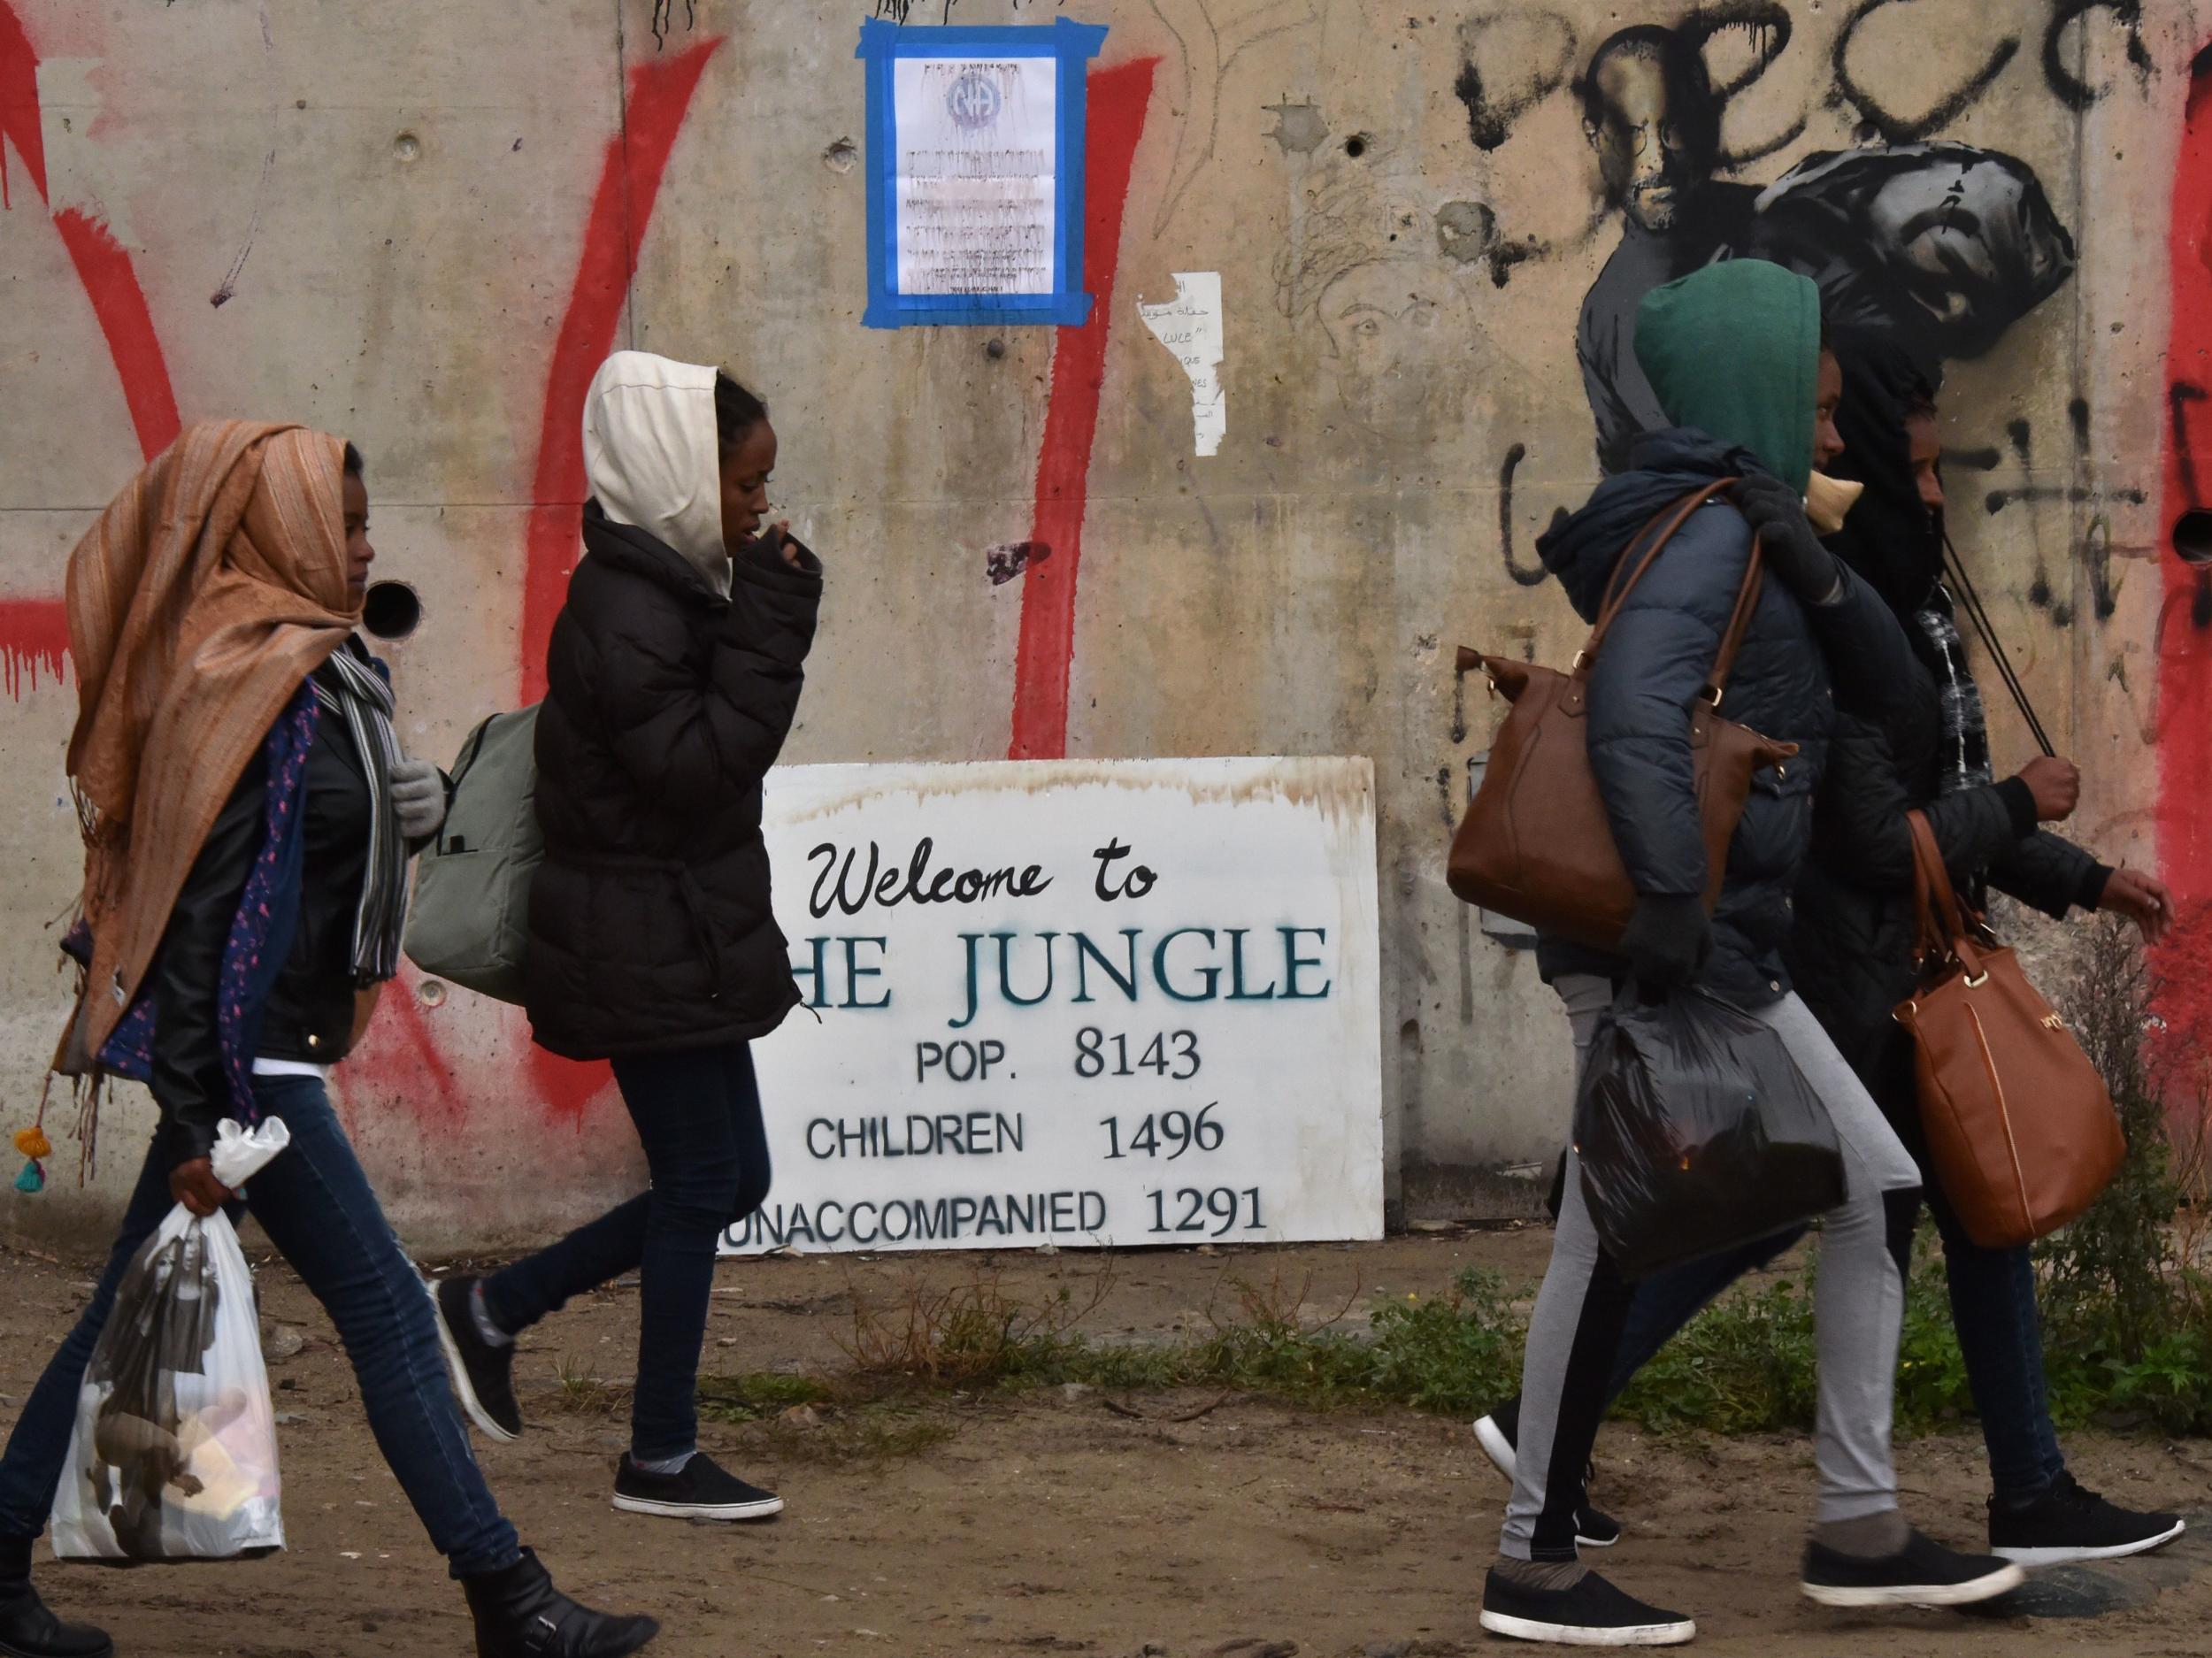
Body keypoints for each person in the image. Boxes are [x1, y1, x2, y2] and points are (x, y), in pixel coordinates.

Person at [1474, 333, 2185, 1570]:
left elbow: (1903, 727)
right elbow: (1691, 734)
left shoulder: (1783, 548)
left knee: (1855, 1197)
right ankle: (1551, 1522)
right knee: (1673, 1223)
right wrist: (1668, 901)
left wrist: (2065, 868)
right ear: (1759, 397)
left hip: (1748, 946)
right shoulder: (1719, 538)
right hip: (1775, 953)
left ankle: (1871, 1517)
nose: (1895, 476)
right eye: (1824, 415)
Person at [0, 424, 657, 1658]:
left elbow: (304, 849)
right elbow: (205, 917)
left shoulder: (320, 668)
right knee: (397, 1318)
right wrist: (201, 1111)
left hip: (260, 1050)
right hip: (257, 1064)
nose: (363, 550)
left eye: (362, 528)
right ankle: (508, 1597)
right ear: (280, 532)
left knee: (114, 1316)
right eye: (343, 527)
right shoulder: (253, 674)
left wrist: (408, 810)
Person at [432, 352, 821, 1524]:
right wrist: (777, 623)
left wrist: (753, 612)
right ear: (678, 474)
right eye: (745, 482)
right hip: (636, 937)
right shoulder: (628, 610)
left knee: (734, 1174)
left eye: (764, 482)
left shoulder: (672, 587)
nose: (762, 504)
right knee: (706, 1177)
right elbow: (700, 771)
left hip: (675, 932)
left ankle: (490, 1310)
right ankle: (658, 1454)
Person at [1571, 25, 1758, 475]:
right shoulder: (1604, 317)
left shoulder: (1779, 233)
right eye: (1632, 131)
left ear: (1705, 124)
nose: (1655, 160)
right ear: (1596, 137)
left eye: (1672, 128)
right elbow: (1625, 482)